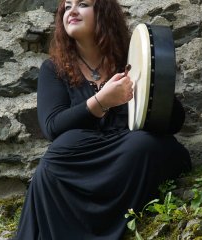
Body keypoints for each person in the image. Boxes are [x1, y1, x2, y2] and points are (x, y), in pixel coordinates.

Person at [15, 0, 191, 239]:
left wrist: (147, 86)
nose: (72, 11)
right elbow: (52, 127)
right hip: (81, 161)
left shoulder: (130, 60)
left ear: (104, 14)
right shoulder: (54, 69)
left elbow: (175, 120)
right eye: (67, 7)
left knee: (142, 145)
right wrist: (102, 101)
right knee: (57, 155)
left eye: (83, 4)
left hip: (126, 156)